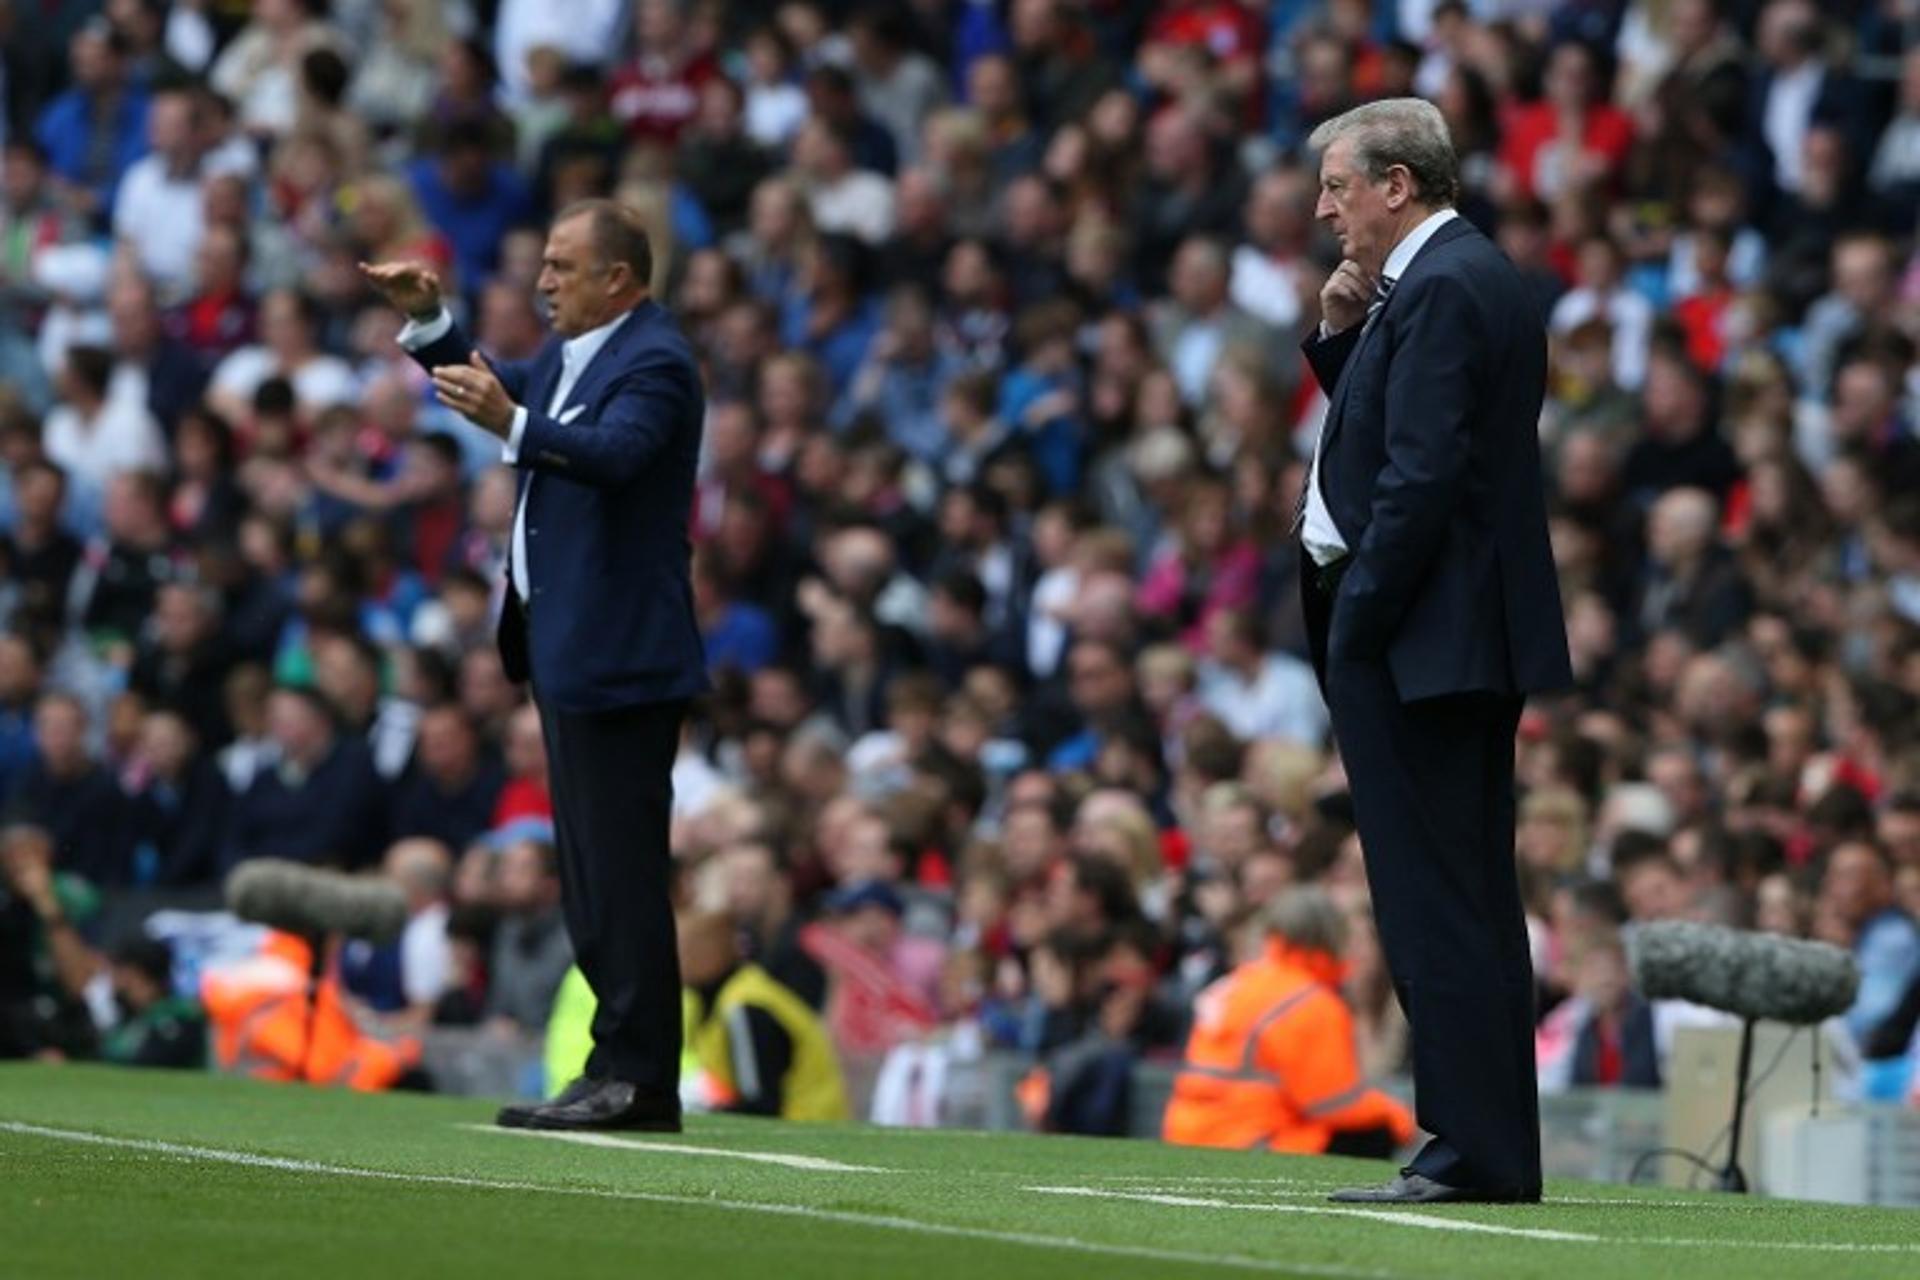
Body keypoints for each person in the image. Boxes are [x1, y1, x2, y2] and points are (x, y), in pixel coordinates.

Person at [361, 196, 708, 1132]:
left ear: (620, 281)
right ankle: (615, 1068)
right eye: (545, 262)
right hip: (570, 652)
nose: (543, 281)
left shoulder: (658, 363)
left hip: (621, 659)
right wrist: (431, 324)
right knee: (592, 876)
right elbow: (500, 384)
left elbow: (611, 454)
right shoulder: (573, 355)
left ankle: (637, 1079)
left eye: (562, 266)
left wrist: (514, 427)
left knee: (622, 872)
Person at [1296, 100, 1571, 1204]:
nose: (1324, 209)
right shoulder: (1449, 279)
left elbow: (1420, 478)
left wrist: (1359, 613)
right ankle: (1488, 1146)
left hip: (1425, 640)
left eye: (1337, 186)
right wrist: (1342, 332)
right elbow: (1395, 432)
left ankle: (1472, 1149)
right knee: (1462, 894)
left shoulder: (1449, 284)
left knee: (1436, 899)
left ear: (1396, 184)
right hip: (1442, 633)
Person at [1163, 887, 1414, 1155]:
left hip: (1188, 1131)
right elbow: (1335, 1104)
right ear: (1331, 936)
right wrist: (1398, 1117)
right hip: (1249, 1139)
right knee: (1377, 1131)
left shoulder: (1238, 983)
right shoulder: (1311, 1002)